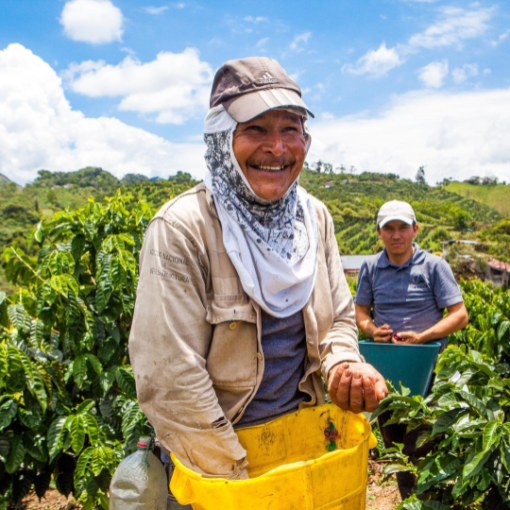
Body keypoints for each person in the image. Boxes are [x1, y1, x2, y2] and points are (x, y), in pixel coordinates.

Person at [128, 57, 387, 508]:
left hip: (304, 450)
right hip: (220, 469)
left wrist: (343, 364)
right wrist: (240, 481)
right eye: (255, 129)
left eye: (291, 129)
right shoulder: (183, 228)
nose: (277, 147)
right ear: (222, 140)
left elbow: (340, 321)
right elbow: (172, 381)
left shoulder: (314, 218)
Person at [354, 199, 469, 499]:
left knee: (421, 441)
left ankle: (431, 497)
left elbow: (460, 315)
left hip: (427, 367)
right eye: (388, 228)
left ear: (415, 230)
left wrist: (423, 336)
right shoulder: (370, 267)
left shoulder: (434, 266)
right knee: (394, 444)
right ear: (379, 233)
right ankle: (409, 498)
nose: (396, 235)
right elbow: (361, 313)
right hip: (388, 369)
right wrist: (372, 331)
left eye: (402, 227)